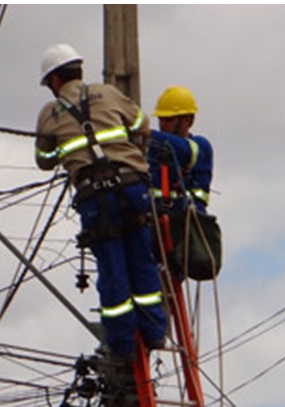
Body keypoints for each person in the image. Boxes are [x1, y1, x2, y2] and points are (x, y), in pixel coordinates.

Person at [34, 43, 167, 359]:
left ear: (53, 81)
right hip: (133, 186)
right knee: (143, 262)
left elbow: (45, 159)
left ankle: (121, 346)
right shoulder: (108, 93)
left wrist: (67, 147)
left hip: (96, 198)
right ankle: (155, 333)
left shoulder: (49, 114)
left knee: (113, 270)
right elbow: (141, 125)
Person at [146, 86, 213, 214]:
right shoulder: (153, 148)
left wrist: (147, 133)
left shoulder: (201, 146)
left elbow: (185, 151)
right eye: (160, 119)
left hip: (188, 222)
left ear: (188, 120)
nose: (162, 125)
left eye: (169, 120)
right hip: (156, 220)